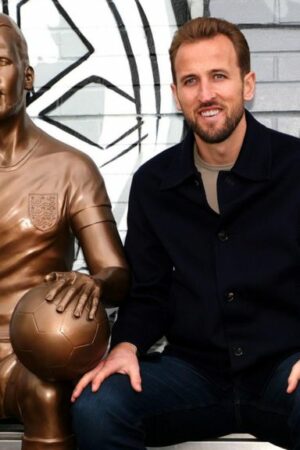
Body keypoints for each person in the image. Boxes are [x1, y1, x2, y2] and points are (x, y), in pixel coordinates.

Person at [72, 16, 300, 450]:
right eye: (190, 81)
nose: (206, 94)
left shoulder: (295, 168)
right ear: (176, 95)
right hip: (193, 376)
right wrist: (125, 348)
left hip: (284, 372)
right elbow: (148, 293)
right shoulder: (153, 184)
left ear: (247, 84)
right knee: (97, 405)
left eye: (219, 76)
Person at [0, 13, 129, 450]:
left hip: (30, 359)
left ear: (28, 75)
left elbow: (116, 273)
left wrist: (92, 283)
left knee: (48, 395)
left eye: (1, 61)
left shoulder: (70, 169)